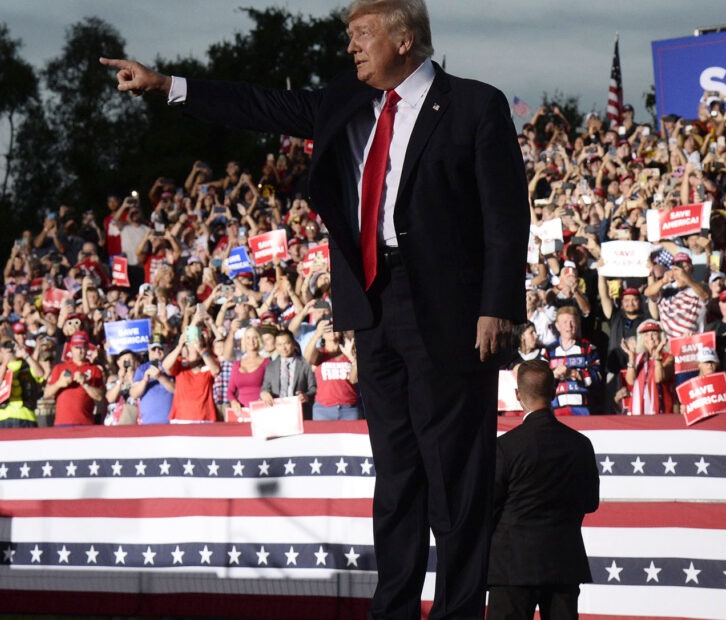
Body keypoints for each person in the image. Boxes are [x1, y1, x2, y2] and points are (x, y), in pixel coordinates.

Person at [102, 1, 528, 612]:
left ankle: (460, 609)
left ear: (404, 40)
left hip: (452, 310)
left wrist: (497, 305)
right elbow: (259, 105)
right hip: (374, 306)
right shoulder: (344, 101)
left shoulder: (474, 105)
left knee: (456, 474)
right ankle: (395, 607)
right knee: (397, 472)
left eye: (361, 35)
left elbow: (506, 215)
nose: (351, 47)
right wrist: (168, 84)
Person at [487, 359, 598, 620]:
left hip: (511, 566)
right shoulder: (580, 445)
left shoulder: (506, 447)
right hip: (563, 563)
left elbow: (488, 506)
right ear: (555, 389)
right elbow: (590, 502)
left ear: (517, 395)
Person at [547, 306, 601, 416]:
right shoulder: (548, 351)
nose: (569, 326)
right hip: (555, 410)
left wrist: (573, 373)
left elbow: (598, 376)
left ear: (577, 324)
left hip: (583, 411)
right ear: (557, 326)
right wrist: (554, 375)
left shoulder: (588, 348)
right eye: (564, 322)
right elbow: (540, 381)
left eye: (572, 321)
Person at [45, 331, 105, 426]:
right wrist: (59, 384)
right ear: (71, 348)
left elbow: (100, 396)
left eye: (82, 347)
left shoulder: (95, 369)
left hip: (85, 423)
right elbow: (47, 394)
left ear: (87, 348)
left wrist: (85, 384)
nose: (79, 351)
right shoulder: (59, 368)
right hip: (62, 423)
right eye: (76, 348)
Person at [305, 320, 361, 421]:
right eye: (327, 328)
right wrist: (317, 334)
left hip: (349, 408)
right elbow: (308, 358)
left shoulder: (349, 351)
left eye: (334, 327)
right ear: (323, 335)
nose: (331, 330)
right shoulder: (320, 353)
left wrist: (353, 359)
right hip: (323, 409)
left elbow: (354, 379)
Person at [260, 329, 316, 419]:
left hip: (299, 412)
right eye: (280, 345)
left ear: (293, 344)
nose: (283, 348)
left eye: (287, 343)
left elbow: (313, 388)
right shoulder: (271, 366)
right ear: (276, 346)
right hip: (277, 412)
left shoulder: (304, 364)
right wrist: (264, 393)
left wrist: (306, 396)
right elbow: (265, 387)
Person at [130, 334, 175, 424]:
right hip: (149, 423)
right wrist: (145, 380)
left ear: (166, 349)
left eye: (160, 348)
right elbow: (134, 394)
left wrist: (160, 377)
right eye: (154, 349)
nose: (157, 352)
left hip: (172, 423)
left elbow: (177, 390)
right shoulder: (142, 369)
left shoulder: (173, 366)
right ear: (149, 350)